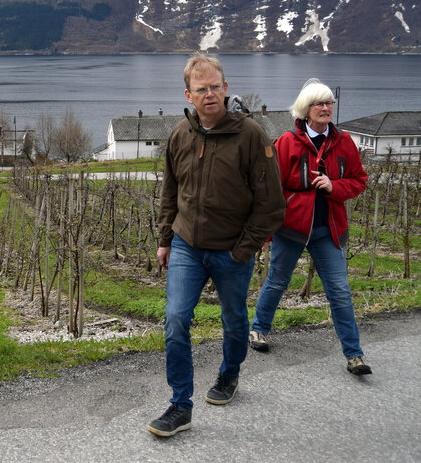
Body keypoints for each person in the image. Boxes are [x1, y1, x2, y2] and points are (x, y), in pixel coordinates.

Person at [148, 53, 286, 437]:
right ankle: (180, 405)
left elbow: (272, 205)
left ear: (225, 89)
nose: (210, 95)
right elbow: (170, 192)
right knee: (176, 320)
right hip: (187, 246)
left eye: (216, 88)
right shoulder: (180, 134)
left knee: (234, 319)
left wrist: (243, 249)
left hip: (231, 250)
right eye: (201, 89)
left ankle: (229, 373)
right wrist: (165, 239)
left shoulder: (251, 136)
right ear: (188, 94)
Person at [250, 79, 371, 375]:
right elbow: (271, 191)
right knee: (278, 281)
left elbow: (359, 180)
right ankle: (259, 329)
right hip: (290, 229)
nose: (326, 108)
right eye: (320, 104)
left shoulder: (344, 143)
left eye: (329, 103)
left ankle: (354, 354)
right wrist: (265, 234)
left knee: (340, 291)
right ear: (306, 109)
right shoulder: (287, 143)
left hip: (328, 230)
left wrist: (334, 186)